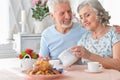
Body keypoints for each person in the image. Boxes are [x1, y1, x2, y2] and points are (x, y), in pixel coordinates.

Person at [39, 0, 120, 60]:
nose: (68, 16)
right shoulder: (46, 34)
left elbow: (101, 29)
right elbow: (42, 60)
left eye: (69, 11)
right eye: (62, 13)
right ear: (52, 16)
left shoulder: (85, 29)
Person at [71, 0, 120, 70]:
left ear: (99, 14)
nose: (84, 21)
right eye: (81, 17)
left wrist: (90, 55)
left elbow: (118, 64)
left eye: (87, 15)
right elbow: (72, 62)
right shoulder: (84, 38)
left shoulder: (115, 33)